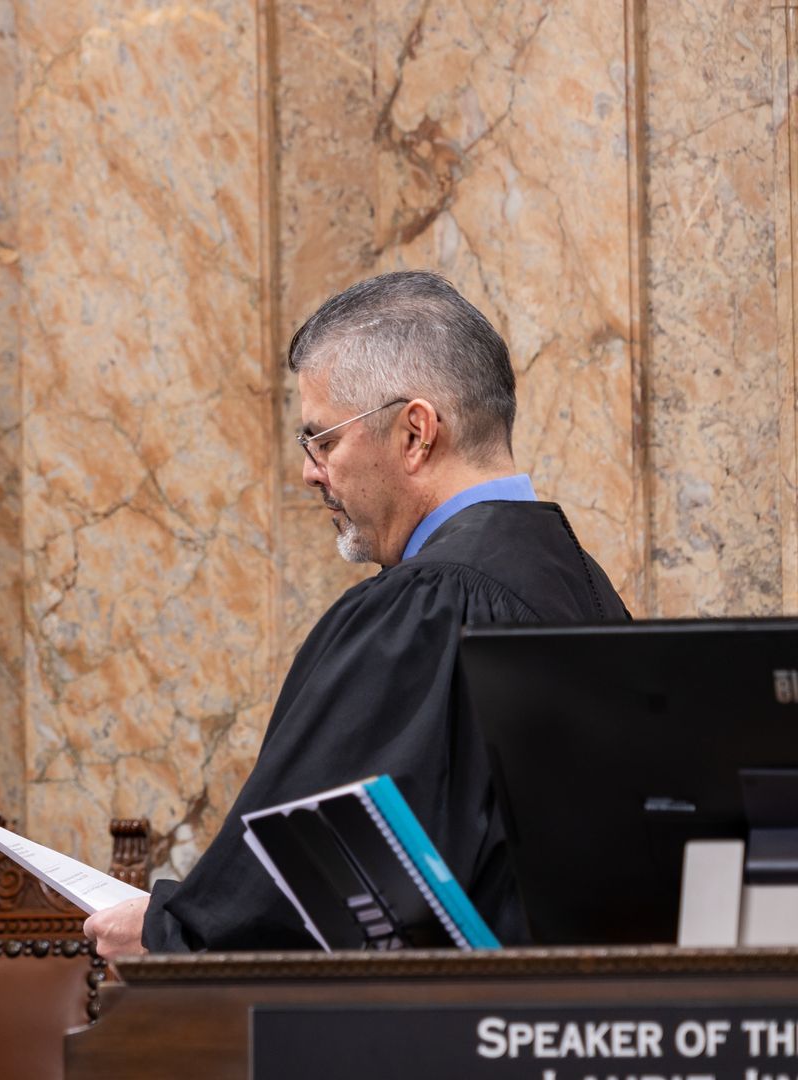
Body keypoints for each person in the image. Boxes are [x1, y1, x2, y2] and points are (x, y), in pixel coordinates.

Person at [85, 271, 629, 957]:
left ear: (415, 433)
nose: (311, 472)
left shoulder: (430, 610)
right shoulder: (578, 584)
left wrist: (165, 931)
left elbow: (299, 886)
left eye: (323, 440)